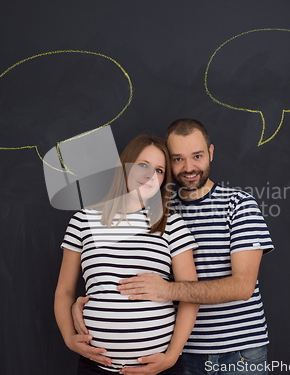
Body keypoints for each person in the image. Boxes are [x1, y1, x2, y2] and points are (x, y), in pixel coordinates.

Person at [74, 119, 274, 375]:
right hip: (179, 352)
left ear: (211, 153)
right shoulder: (157, 210)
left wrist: (167, 290)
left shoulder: (239, 205)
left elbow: (243, 286)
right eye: (178, 159)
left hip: (236, 351)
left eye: (198, 156)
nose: (189, 167)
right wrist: (89, 303)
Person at [54, 134, 199, 375]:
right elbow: (65, 291)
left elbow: (190, 293)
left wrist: (171, 356)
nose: (150, 176)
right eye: (142, 165)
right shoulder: (83, 221)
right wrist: (69, 338)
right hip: (97, 367)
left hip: (160, 367)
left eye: (160, 170)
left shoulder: (171, 224)